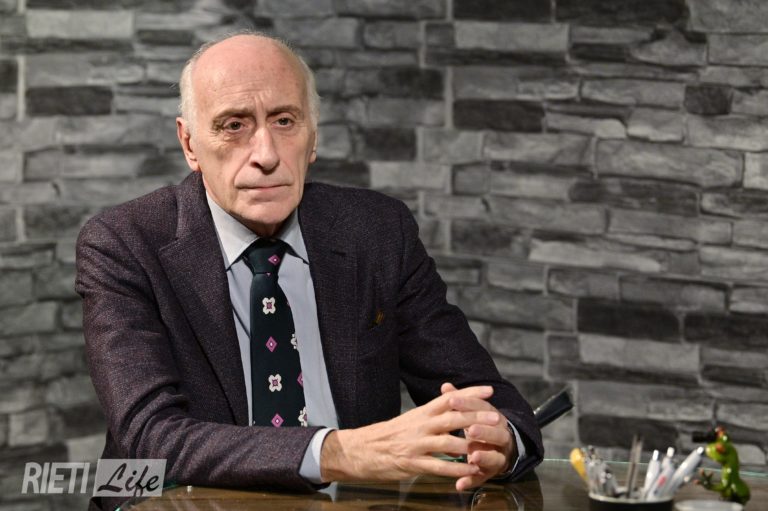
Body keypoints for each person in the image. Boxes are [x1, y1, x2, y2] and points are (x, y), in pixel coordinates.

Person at [75, 32, 543, 511]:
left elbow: (492, 402)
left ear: (313, 137)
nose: (266, 154)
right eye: (233, 125)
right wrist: (340, 452)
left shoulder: (378, 231)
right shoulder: (123, 244)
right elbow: (149, 439)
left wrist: (500, 440)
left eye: (284, 121)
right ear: (189, 143)